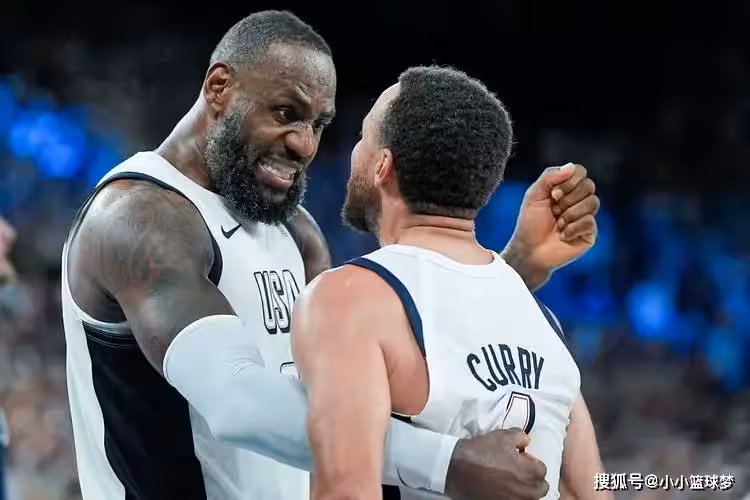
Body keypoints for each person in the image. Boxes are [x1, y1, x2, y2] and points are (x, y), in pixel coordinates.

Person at [62, 10, 600, 500]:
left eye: (318, 124)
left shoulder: (295, 230)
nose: (304, 144)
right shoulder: (137, 218)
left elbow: (367, 361)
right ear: (220, 87)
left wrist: (513, 269)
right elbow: (237, 402)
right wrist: (445, 462)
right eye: (286, 113)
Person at [291, 66, 610, 500]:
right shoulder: (546, 326)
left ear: (383, 166)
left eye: (364, 136)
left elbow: (345, 490)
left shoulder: (349, 297)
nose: (354, 150)